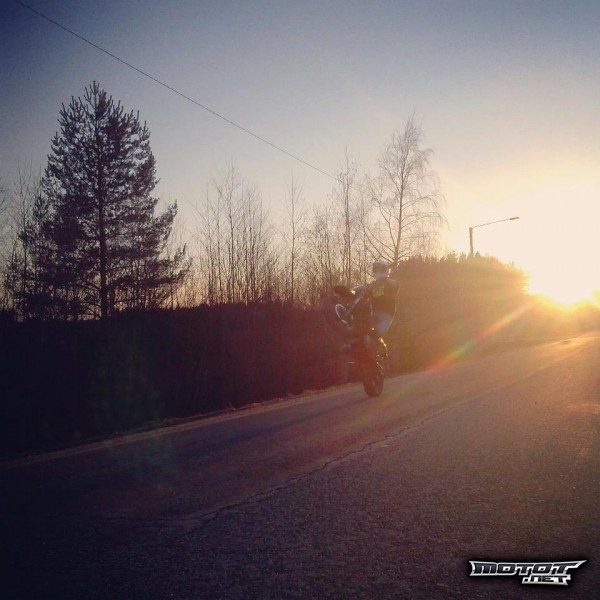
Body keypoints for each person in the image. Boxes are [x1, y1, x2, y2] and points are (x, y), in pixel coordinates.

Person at [368, 258, 398, 339]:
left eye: (381, 270)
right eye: (377, 270)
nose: (379, 272)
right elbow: (365, 293)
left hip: (386, 314)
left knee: (376, 334)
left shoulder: (390, 283)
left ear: (386, 270)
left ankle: (377, 344)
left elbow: (396, 285)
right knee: (363, 330)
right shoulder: (371, 286)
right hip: (372, 313)